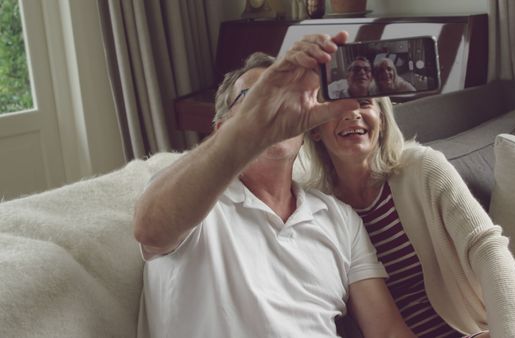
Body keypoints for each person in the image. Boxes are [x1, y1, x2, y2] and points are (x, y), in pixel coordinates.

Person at [133, 32, 418, 337]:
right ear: (222, 128)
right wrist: (249, 132)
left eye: (285, 98)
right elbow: (150, 229)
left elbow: (387, 331)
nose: (275, 109)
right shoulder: (195, 200)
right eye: (255, 99)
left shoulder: (340, 218)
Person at [301, 97, 515, 338]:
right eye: (336, 105)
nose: (352, 113)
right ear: (314, 129)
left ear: (382, 119)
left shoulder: (422, 167)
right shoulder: (315, 208)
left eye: (364, 103)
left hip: (464, 330)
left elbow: (487, 248)